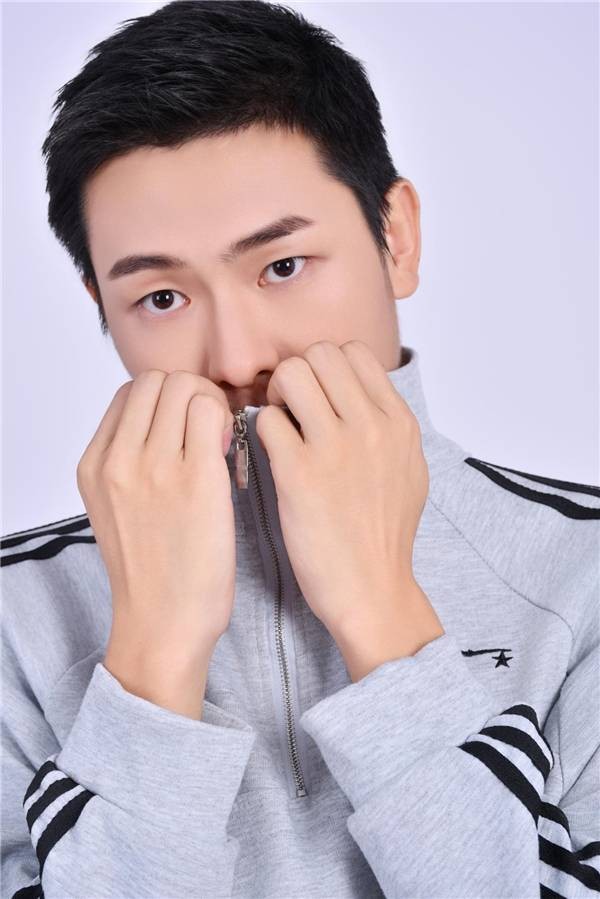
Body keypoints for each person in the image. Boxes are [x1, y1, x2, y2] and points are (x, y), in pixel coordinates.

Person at [2, 2, 598, 897]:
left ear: (396, 237)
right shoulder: (15, 618)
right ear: (102, 307)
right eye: (161, 298)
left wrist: (382, 614)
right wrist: (153, 657)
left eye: (282, 266)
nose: (236, 357)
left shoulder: (583, 573)